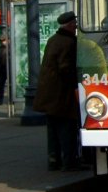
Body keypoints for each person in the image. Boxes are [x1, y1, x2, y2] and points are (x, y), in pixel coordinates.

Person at [34, 11, 83, 171]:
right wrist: (77, 86)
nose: (76, 26)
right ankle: (70, 162)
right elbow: (66, 68)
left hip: (49, 95)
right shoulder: (68, 43)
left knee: (53, 130)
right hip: (62, 94)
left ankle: (54, 160)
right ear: (69, 25)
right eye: (75, 24)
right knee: (67, 129)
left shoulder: (54, 40)